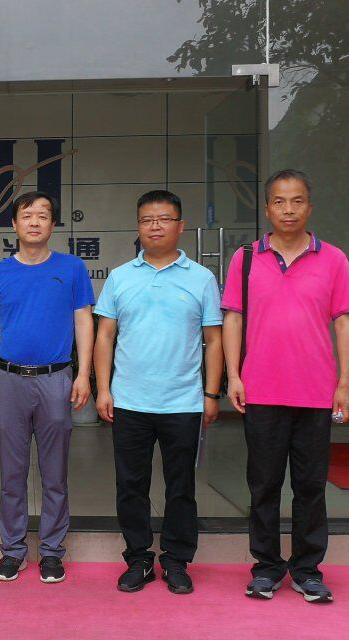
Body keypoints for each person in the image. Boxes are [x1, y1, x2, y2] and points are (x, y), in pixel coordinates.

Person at [222, 169, 349, 604]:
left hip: (316, 393)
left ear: (309, 207)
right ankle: (266, 568)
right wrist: (234, 375)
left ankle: (307, 570)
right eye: (279, 201)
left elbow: (345, 323)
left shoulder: (333, 259)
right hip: (261, 391)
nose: (288, 209)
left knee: (310, 487)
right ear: (267, 208)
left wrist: (346, 383)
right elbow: (233, 318)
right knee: (263, 486)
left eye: (297, 201)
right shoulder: (246, 258)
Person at [93, 190, 223, 595]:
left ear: (180, 226)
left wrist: (211, 394)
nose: (155, 226)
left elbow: (214, 340)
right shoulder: (120, 277)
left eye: (164, 219)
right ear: (138, 226)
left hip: (183, 402)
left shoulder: (201, 278)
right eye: (147, 219)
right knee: (131, 486)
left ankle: (176, 560)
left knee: (181, 486)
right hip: (130, 401)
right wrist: (103, 389)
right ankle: (138, 559)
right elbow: (104, 336)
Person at [0, 191, 95, 584]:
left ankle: (51, 552)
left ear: (53, 224)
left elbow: (83, 321)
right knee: (12, 474)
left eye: (43, 215)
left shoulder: (72, 268)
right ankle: (12, 551)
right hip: (8, 380)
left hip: (55, 379)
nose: (34, 222)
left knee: (55, 473)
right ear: (14, 224)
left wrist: (83, 374)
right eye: (27, 215)